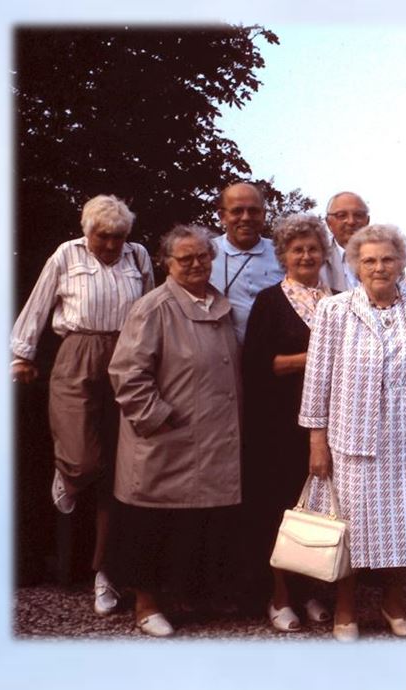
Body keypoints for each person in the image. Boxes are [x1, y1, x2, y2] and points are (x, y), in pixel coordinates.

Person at [299, 224, 406, 641]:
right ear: (355, 266)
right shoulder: (333, 311)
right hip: (353, 440)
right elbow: (316, 381)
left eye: (387, 259)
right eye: (369, 260)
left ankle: (394, 604)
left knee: (404, 527)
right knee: (350, 529)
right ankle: (346, 609)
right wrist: (317, 441)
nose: (379, 267)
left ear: (403, 262)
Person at [10, 194, 153, 616]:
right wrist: (20, 355)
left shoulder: (139, 256)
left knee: (119, 473)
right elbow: (38, 305)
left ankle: (104, 575)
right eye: (102, 236)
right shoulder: (65, 255)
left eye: (118, 237)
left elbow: (148, 309)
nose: (111, 245)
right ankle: (69, 475)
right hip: (76, 352)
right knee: (83, 458)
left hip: (127, 357)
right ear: (86, 230)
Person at [106, 224, 242, 637]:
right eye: (186, 259)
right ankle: (146, 606)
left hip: (212, 438)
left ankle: (186, 597)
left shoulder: (219, 304)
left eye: (203, 256)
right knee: (153, 523)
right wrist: (158, 418)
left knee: (197, 523)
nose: (197, 264)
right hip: (167, 437)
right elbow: (127, 373)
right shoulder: (153, 307)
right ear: (167, 262)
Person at [241, 213, 333, 631]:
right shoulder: (269, 301)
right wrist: (315, 359)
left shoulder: (338, 301)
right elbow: (263, 365)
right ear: (284, 256)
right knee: (280, 507)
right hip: (280, 423)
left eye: (313, 248)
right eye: (298, 249)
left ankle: (313, 591)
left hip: (332, 424)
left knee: (322, 510)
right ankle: (279, 597)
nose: (307, 255)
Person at [209, 182, 284, 343]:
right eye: (237, 211)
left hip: (272, 357)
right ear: (222, 216)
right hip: (221, 356)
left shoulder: (282, 253)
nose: (246, 217)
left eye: (253, 211)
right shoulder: (205, 254)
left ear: (263, 215)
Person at [321, 191, 370, 292]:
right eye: (341, 215)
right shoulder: (316, 259)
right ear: (328, 223)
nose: (351, 221)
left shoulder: (386, 255)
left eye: (358, 215)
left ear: (367, 221)